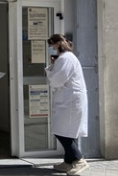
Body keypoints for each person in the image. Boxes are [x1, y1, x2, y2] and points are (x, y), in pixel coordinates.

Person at [45, 34, 89, 175]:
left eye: (52, 45)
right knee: (65, 132)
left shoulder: (66, 58)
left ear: (58, 44)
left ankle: (79, 160)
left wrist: (51, 68)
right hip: (68, 100)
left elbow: (57, 80)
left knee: (62, 132)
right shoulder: (64, 58)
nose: (50, 48)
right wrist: (52, 66)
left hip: (70, 101)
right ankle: (68, 161)